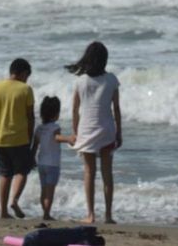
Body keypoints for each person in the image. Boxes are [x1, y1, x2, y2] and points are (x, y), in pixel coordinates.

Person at [67, 41, 122, 224]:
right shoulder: (111, 79)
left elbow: (75, 110)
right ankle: (108, 215)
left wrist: (75, 132)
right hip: (106, 129)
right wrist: (119, 132)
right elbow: (116, 109)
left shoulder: (80, 81)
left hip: (86, 129)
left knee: (89, 172)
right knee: (107, 173)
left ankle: (90, 214)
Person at [0, 58, 35, 219]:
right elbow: (30, 117)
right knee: (22, 171)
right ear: (23, 73)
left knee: (5, 174)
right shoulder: (25, 89)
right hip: (19, 138)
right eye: (27, 76)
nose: (27, 79)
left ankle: (3, 211)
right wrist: (30, 136)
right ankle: (14, 200)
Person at [31, 96, 76, 220]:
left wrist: (32, 158)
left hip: (41, 163)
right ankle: (46, 214)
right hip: (53, 165)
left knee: (43, 189)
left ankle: (44, 212)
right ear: (56, 114)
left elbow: (35, 145)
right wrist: (69, 139)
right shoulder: (55, 127)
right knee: (50, 191)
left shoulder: (39, 128)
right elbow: (57, 138)